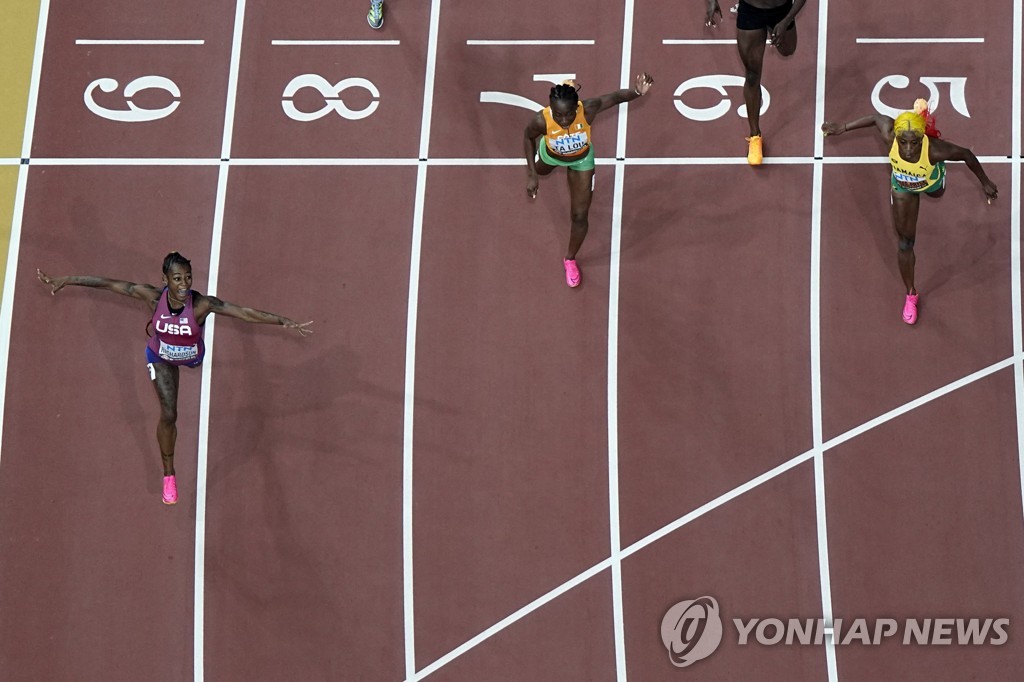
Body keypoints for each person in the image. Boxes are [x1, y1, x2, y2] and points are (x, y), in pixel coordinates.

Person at [37, 252, 313, 504]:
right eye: (177, 278)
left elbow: (244, 313)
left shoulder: (202, 305)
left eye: (188, 278)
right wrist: (68, 279)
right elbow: (110, 284)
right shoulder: (153, 298)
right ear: (165, 280)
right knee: (169, 414)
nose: (184, 284)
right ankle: (169, 474)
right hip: (161, 358)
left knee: (188, 389)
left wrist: (283, 321)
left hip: (192, 358)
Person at [821, 100, 998, 324]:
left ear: (922, 138)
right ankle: (911, 294)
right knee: (905, 242)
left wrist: (986, 182)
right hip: (903, 186)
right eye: (902, 142)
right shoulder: (889, 135)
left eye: (913, 143)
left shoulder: (934, 149)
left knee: (937, 194)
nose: (906, 149)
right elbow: (877, 118)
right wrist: (842, 128)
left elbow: (967, 155)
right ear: (896, 136)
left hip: (931, 183)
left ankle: (935, 157)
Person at [523, 73, 654, 287]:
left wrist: (637, 91)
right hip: (549, 155)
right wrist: (531, 174)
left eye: (568, 115)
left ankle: (570, 259)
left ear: (577, 108)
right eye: (558, 115)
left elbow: (615, 97)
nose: (564, 121)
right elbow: (527, 137)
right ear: (550, 109)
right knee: (542, 172)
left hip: (581, 161)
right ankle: (541, 161)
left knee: (580, 216)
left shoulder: (589, 109)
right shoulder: (541, 120)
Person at [705, 0, 807, 165]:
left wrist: (786, 21)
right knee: (752, 75)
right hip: (751, 13)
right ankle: (755, 136)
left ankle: (772, 26)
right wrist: (712, 2)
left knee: (788, 50)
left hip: (781, 11)